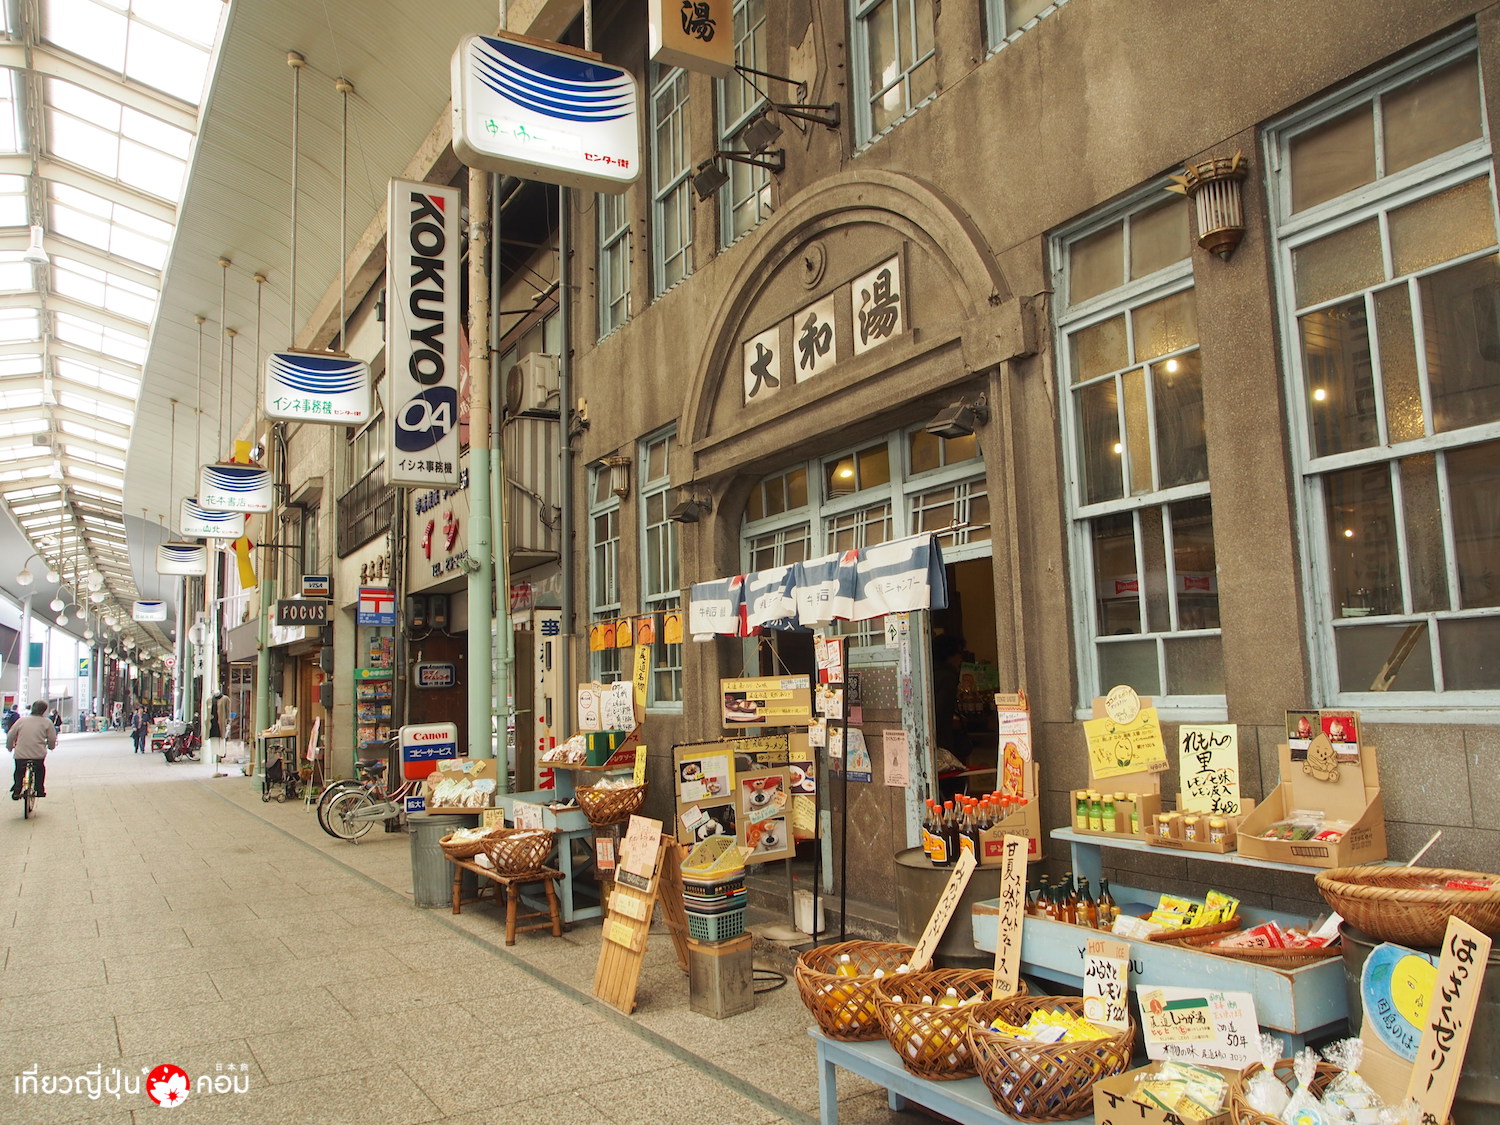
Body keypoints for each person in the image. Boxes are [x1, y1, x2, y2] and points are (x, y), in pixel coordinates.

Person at [8, 700, 56, 800]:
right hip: (38, 754)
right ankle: (39, 789)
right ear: (44, 710)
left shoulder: (21, 720)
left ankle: (17, 789)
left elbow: (11, 735)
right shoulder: (47, 722)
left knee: (19, 770)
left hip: (21, 753)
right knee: (40, 769)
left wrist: (10, 747)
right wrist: (51, 747)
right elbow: (52, 738)